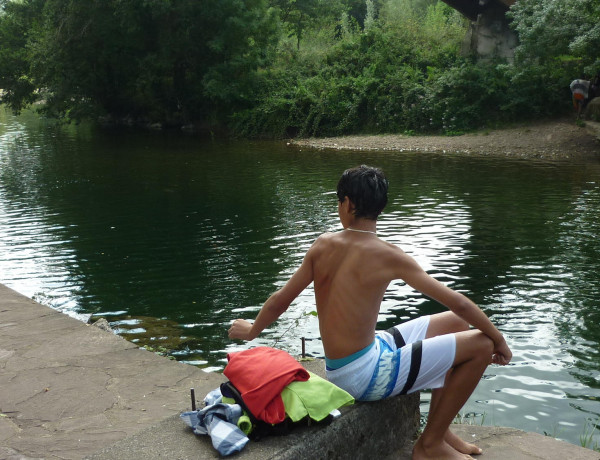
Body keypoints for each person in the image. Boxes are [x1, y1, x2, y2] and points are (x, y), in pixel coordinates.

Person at [228, 165, 512, 460]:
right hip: (367, 377)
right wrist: (498, 340)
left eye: (339, 201)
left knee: (456, 322)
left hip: (348, 365)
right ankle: (429, 446)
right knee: (482, 344)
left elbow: (280, 301)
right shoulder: (388, 254)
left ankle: (441, 432)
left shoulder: (322, 245)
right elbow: (460, 300)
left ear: (348, 204)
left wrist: (252, 329)